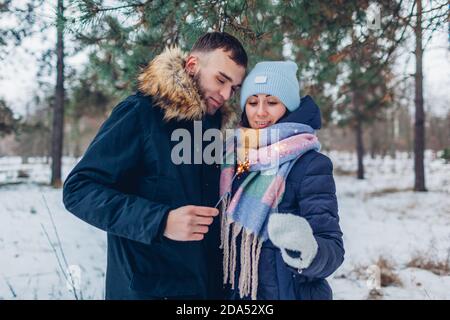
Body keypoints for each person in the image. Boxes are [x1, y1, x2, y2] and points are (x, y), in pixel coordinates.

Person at [63, 32, 247, 300]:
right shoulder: (140, 112)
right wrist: (161, 221)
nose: (225, 94)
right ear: (192, 65)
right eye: (221, 79)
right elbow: (79, 190)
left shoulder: (213, 128)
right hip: (147, 290)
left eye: (234, 88)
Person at [219, 61, 345, 300]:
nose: (261, 112)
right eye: (253, 102)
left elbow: (333, 249)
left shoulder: (310, 164)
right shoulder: (231, 158)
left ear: (288, 106)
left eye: (272, 102)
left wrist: (308, 251)